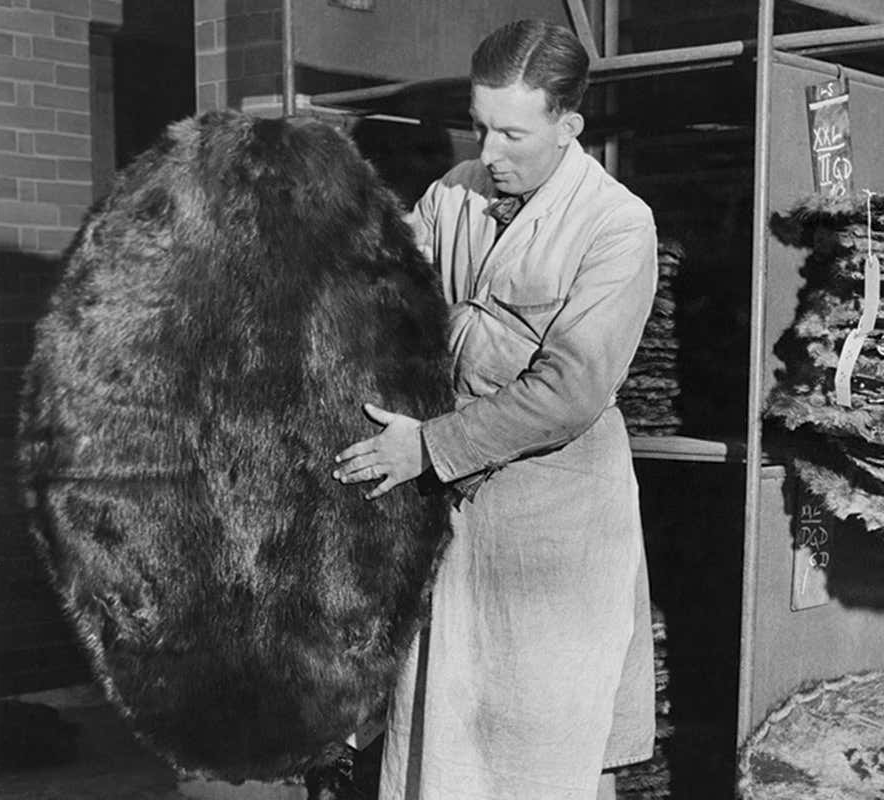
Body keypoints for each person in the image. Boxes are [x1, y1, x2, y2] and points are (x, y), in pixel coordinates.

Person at [332, 19, 658, 800]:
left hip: (553, 525)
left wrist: (428, 447)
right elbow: (385, 288)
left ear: (567, 125)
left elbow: (571, 390)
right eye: (480, 127)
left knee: (544, 744)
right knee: (445, 731)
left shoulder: (616, 224)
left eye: (512, 132)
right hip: (455, 512)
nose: (489, 152)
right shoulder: (455, 194)